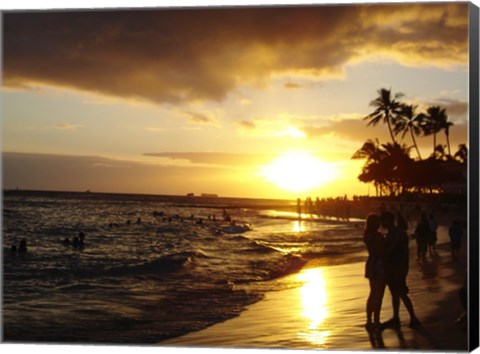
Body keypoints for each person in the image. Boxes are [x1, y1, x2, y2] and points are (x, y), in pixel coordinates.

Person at [381, 212, 420, 329]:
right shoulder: (392, 233)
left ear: (389, 220)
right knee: (395, 293)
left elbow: (395, 251)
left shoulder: (397, 234)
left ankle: (413, 317)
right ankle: (396, 317)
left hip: (398, 268)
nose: (382, 223)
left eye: (383, 220)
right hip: (394, 268)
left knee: (401, 293)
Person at [363, 213, 386, 331]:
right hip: (378, 265)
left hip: (371, 263)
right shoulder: (377, 236)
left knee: (372, 293)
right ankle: (376, 321)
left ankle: (369, 320)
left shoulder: (367, 235)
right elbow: (381, 251)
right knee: (379, 294)